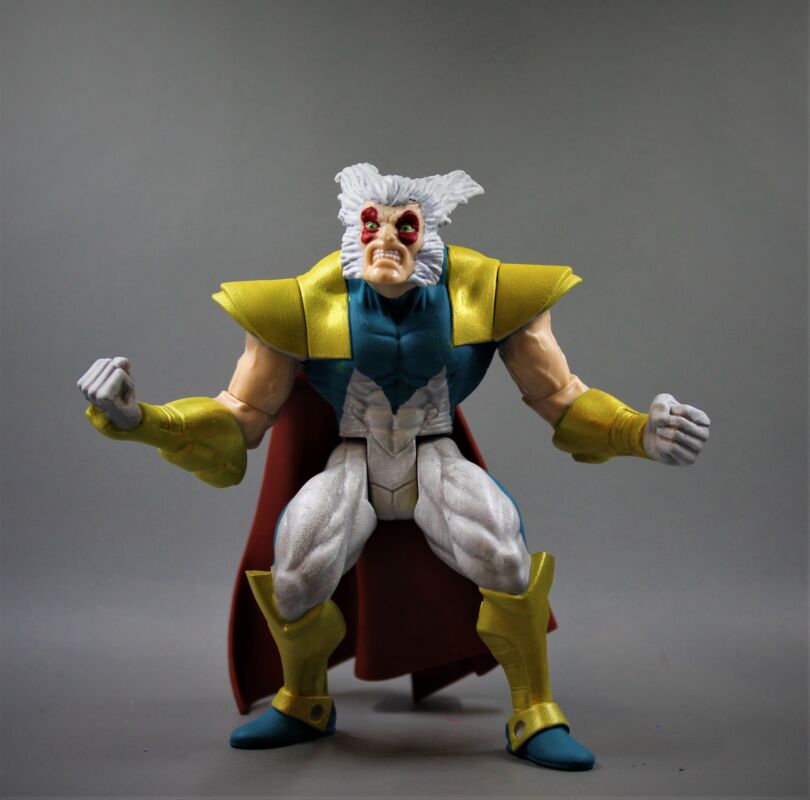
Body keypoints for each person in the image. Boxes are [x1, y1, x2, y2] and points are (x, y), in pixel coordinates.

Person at [78, 164, 709, 770]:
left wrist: (637, 431)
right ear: (353, 229)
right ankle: (304, 701)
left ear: (428, 232)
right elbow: (239, 417)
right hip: (353, 458)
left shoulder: (484, 291)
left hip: (434, 455)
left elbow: (563, 398)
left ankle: (535, 712)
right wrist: (143, 420)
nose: (385, 239)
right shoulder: (305, 301)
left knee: (505, 557)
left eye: (403, 226)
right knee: (294, 574)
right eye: (370, 224)